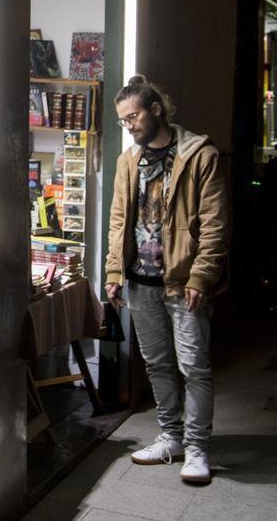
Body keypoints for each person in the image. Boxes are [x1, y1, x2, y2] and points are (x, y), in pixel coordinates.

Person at [105, 75, 228, 485]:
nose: (130, 126)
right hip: (141, 282)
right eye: (123, 121)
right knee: (157, 364)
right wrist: (113, 271)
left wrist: (202, 276)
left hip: (183, 283)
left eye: (134, 116)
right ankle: (171, 437)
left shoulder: (199, 155)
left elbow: (214, 225)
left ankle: (196, 447)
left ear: (156, 108)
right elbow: (118, 220)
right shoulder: (128, 162)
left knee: (193, 366)